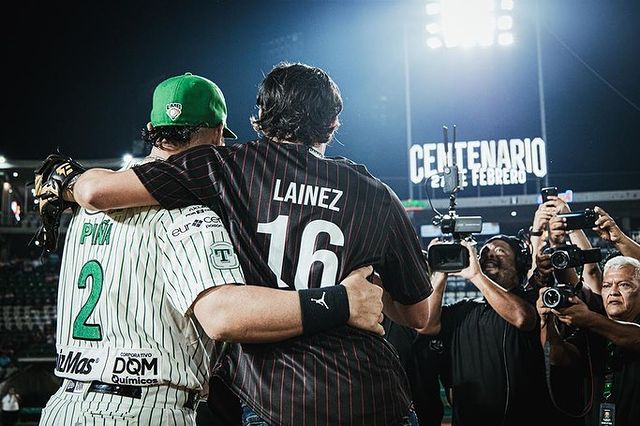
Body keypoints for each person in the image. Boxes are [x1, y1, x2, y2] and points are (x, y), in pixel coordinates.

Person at [69, 62, 432, 425]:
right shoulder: (377, 194)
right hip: (375, 396)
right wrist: (361, 292)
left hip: (278, 400)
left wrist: (63, 181)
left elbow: (96, 191)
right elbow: (417, 315)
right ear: (333, 124)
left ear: (260, 116)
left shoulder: (227, 166)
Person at [420, 235, 563, 425]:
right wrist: (441, 271)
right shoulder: (464, 310)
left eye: (500, 251)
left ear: (520, 263)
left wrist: (476, 276)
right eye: (485, 252)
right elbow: (427, 325)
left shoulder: (533, 300)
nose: (490, 255)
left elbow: (522, 318)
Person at [537, 255, 640, 426]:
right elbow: (557, 356)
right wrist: (546, 322)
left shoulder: (593, 322)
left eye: (624, 285)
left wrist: (589, 318)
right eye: (606, 285)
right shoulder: (593, 331)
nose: (613, 291)